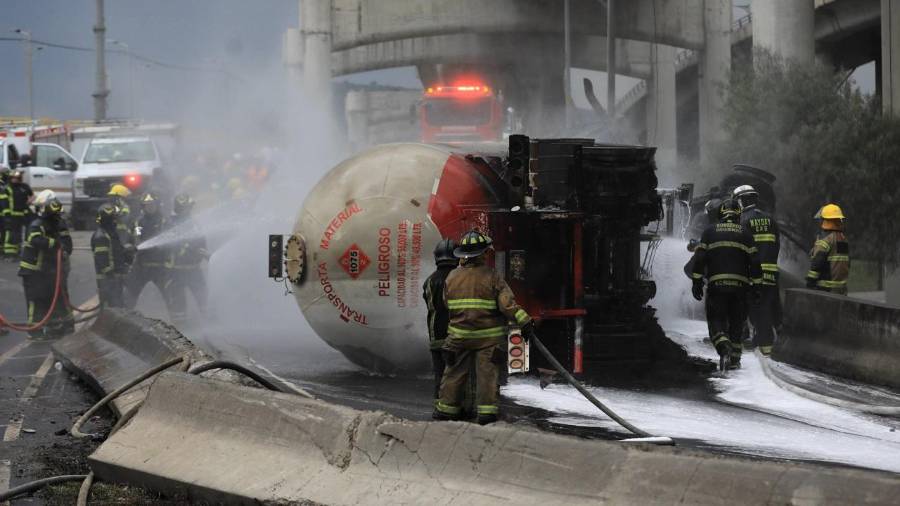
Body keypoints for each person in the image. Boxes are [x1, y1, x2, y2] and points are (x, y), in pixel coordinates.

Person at [433, 229, 533, 425]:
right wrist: (525, 321)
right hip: (488, 339)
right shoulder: (492, 276)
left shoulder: (451, 277)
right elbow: (508, 305)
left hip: (459, 337)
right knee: (487, 375)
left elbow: (446, 304)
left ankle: (447, 409)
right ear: (483, 253)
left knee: (453, 373)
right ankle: (486, 413)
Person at [690, 200, 763, 370]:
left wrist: (697, 282)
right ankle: (735, 361)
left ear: (721, 214)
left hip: (717, 286)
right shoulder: (746, 234)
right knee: (737, 323)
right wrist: (757, 287)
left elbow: (699, 259)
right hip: (740, 289)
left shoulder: (709, 232)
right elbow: (755, 262)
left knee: (716, 318)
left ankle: (722, 343)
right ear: (738, 215)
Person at [733, 185, 780, 356]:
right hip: (771, 274)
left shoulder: (743, 221)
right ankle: (765, 348)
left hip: (752, 276)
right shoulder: (771, 220)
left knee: (752, 312)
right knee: (765, 310)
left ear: (742, 200)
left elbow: (740, 251)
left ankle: (761, 352)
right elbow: (776, 247)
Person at [18, 197, 71, 338]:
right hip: (32, 270)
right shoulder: (37, 224)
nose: (58, 218)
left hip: (45, 271)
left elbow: (65, 244)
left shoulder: (54, 225)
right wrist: (55, 243)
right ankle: (34, 330)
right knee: (36, 300)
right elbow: (35, 240)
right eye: (55, 215)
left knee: (49, 298)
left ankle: (54, 327)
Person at [422, 239, 458, 410]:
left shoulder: (429, 281)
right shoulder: (458, 279)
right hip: (456, 335)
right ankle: (455, 407)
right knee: (457, 374)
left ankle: (439, 408)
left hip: (436, 335)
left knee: (440, 375)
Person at [165, 193, 209, 322]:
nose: (189, 210)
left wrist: (204, 253)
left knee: (204, 298)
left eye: (190, 207)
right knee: (178, 303)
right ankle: (182, 331)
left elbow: (202, 241)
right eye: (187, 207)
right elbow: (170, 245)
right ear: (179, 207)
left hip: (194, 269)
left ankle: (212, 326)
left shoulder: (194, 223)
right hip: (176, 271)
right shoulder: (170, 224)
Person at [126, 193, 171, 309]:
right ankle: (126, 316)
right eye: (147, 205)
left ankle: (177, 321)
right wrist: (137, 245)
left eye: (152, 205)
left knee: (169, 294)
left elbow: (167, 239)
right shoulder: (138, 222)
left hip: (160, 266)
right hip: (142, 265)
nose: (150, 207)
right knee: (131, 291)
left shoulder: (164, 221)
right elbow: (137, 237)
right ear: (143, 207)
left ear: (157, 205)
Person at [806, 204, 850, 295]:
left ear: (825, 220)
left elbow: (817, 264)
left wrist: (810, 281)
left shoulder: (826, 240)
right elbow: (846, 264)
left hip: (825, 290)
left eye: (822, 219)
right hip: (841, 291)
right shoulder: (843, 239)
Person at [91, 203, 125, 307]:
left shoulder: (110, 233)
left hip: (112, 279)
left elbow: (116, 252)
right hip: (107, 280)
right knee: (111, 308)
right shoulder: (101, 236)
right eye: (114, 218)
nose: (116, 221)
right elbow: (102, 260)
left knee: (117, 306)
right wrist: (112, 275)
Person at [4, 170, 33, 258]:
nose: (15, 180)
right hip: (12, 215)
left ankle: (18, 251)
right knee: (11, 233)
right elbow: (5, 202)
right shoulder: (7, 188)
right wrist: (7, 215)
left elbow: (32, 195)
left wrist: (29, 202)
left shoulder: (24, 187)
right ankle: (9, 253)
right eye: (13, 178)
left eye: (16, 178)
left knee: (20, 233)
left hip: (22, 214)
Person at [0, 168, 10, 261]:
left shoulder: (5, 185)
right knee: (3, 233)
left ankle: (2, 251)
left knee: (3, 233)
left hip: (3, 214)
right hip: (3, 214)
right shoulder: (4, 186)